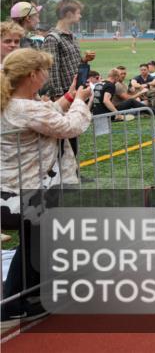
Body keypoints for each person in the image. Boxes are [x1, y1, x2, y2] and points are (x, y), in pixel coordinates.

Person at [1, 48, 91, 323]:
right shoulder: (27, 107)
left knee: (33, 242)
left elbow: (47, 115)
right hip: (31, 193)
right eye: (44, 70)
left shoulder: (12, 103)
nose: (47, 75)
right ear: (32, 75)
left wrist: (67, 97)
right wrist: (79, 101)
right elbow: (70, 127)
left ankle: (21, 301)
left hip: (12, 191)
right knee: (36, 243)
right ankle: (22, 303)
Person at [40, 0, 94, 157]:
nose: (80, 16)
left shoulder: (71, 36)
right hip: (63, 94)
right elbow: (52, 69)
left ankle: (73, 172)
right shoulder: (52, 38)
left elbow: (71, 64)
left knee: (73, 136)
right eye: (78, 13)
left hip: (74, 92)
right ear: (68, 14)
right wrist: (59, 97)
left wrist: (84, 60)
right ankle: (64, 176)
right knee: (62, 140)